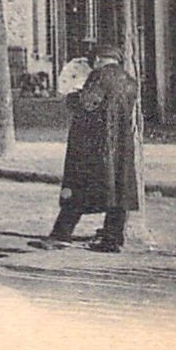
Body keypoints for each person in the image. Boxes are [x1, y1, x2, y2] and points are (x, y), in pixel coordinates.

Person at [36, 45, 140, 253]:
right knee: (118, 191)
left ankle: (61, 235)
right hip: (120, 146)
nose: (93, 63)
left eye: (94, 60)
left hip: (94, 145)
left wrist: (72, 96)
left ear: (100, 59)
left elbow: (87, 103)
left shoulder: (99, 76)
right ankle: (113, 238)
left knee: (77, 188)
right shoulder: (130, 81)